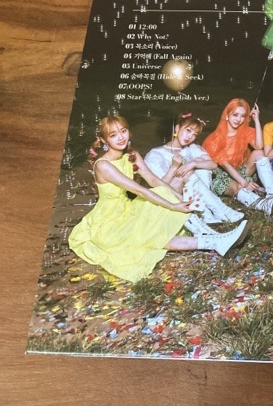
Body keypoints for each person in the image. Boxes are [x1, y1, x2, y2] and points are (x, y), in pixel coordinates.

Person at [69, 115, 248, 283]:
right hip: (109, 222)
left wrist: (179, 199)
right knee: (150, 235)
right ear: (104, 140)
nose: (121, 137)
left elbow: (154, 181)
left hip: (127, 209)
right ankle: (215, 240)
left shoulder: (132, 154)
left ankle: (216, 240)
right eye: (113, 135)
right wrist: (173, 205)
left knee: (158, 212)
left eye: (123, 131)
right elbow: (139, 190)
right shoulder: (103, 165)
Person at [144, 112, 244, 225]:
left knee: (202, 167)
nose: (190, 137)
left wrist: (193, 163)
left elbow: (213, 164)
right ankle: (219, 210)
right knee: (188, 173)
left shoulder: (191, 148)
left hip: (190, 195)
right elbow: (159, 187)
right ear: (177, 128)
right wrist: (173, 167)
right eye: (188, 130)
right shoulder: (156, 154)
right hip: (167, 197)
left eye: (195, 134)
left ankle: (205, 212)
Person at [202, 98, 273, 216]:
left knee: (259, 153)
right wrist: (244, 183)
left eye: (242, 116)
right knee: (239, 186)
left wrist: (256, 120)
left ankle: (272, 194)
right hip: (222, 176)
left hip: (241, 170)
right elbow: (226, 166)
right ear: (227, 116)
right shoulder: (215, 139)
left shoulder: (245, 131)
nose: (238, 119)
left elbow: (259, 146)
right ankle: (264, 205)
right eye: (235, 115)